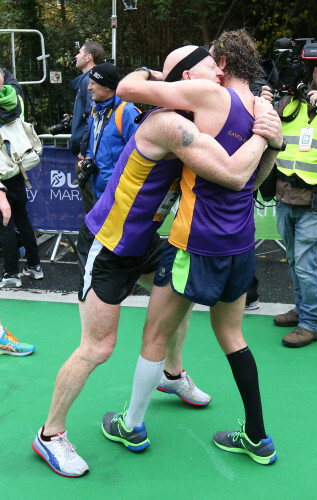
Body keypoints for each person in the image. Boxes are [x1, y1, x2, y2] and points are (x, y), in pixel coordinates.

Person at [31, 50, 281, 476]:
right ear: (188, 77)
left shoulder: (199, 115)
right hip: (108, 244)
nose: (219, 71)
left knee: (172, 295)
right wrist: (265, 133)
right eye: (209, 66)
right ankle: (50, 435)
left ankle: (172, 372)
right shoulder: (171, 123)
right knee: (99, 347)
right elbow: (235, 174)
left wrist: (266, 124)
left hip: (145, 238)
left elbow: (244, 178)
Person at [102, 30, 283, 466]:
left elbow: (124, 89)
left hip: (194, 243)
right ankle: (257, 436)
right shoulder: (261, 108)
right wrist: (269, 139)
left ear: (221, 63)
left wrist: (156, 75)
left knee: (155, 334)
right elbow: (254, 182)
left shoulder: (209, 93)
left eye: (209, 60)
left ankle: (132, 424)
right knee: (233, 336)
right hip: (239, 244)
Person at [261, 43, 317, 348]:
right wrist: (264, 102)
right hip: (286, 195)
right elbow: (269, 131)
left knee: (306, 263)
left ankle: (313, 323)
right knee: (294, 261)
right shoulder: (294, 100)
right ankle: (303, 310)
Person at [0, 68, 43, 287]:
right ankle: (35, 266)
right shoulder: (13, 96)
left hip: (2, 170)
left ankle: (10, 274)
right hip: (18, 166)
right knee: (21, 216)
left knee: (4, 222)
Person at [82, 62, 140, 203]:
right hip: (99, 188)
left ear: (107, 87)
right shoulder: (95, 108)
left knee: (91, 226)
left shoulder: (127, 112)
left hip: (119, 192)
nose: (89, 88)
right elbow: (95, 141)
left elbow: (140, 153)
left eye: (93, 84)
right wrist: (89, 157)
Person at [70, 41, 105, 213]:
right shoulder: (88, 80)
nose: (76, 56)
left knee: (93, 211)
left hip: (88, 156)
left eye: (79, 52)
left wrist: (84, 152)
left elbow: (92, 119)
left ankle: (93, 240)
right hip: (89, 154)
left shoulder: (88, 81)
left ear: (89, 57)